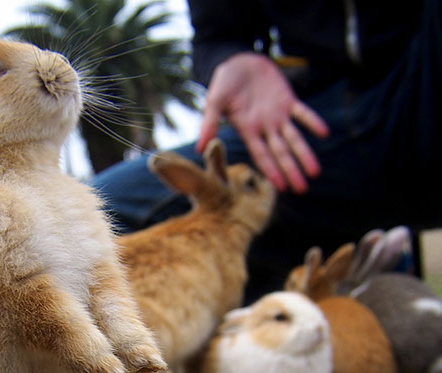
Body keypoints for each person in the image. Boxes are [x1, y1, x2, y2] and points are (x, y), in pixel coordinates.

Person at [92, 0, 441, 302]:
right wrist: (229, 59)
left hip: (422, 74)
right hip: (307, 124)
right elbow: (217, 33)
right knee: (98, 218)